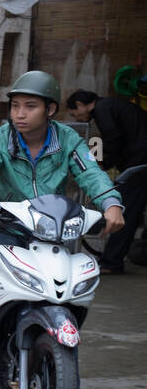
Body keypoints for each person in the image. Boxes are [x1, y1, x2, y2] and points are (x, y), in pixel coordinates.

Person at [0, 71, 124, 389]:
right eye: (15, 106)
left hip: (52, 234)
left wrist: (111, 203)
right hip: (4, 228)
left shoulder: (68, 141)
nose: (19, 114)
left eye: (30, 106)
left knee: (68, 302)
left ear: (51, 109)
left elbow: (91, 173)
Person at [67, 87, 147, 274]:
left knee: (125, 212)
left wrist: (103, 164)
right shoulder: (112, 105)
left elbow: (112, 139)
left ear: (80, 105)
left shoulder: (102, 109)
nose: (77, 118)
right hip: (140, 162)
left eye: (75, 114)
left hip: (139, 164)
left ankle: (111, 263)